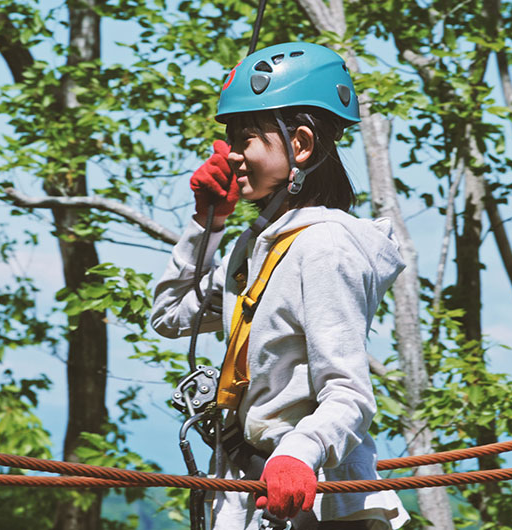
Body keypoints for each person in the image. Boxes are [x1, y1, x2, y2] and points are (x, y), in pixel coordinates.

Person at [151, 42, 410, 530]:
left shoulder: (325, 247)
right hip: (256, 495)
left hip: (313, 500)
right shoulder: (255, 248)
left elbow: (349, 393)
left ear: (302, 145)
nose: (230, 156)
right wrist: (207, 221)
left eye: (246, 138)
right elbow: (171, 314)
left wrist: (299, 452)